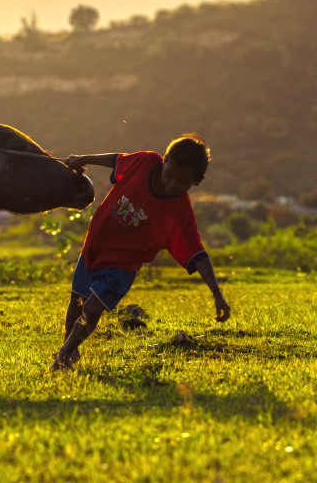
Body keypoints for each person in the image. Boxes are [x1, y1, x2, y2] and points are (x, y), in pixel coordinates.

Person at [52, 133, 231, 371]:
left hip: (123, 266)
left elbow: (197, 252)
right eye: (170, 175)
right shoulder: (146, 162)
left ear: (196, 182)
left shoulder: (180, 212)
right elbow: (117, 160)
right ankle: (70, 346)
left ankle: (63, 354)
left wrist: (217, 293)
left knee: (92, 309)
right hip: (96, 246)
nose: (173, 184)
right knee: (77, 302)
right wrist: (82, 158)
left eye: (182, 182)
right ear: (164, 161)